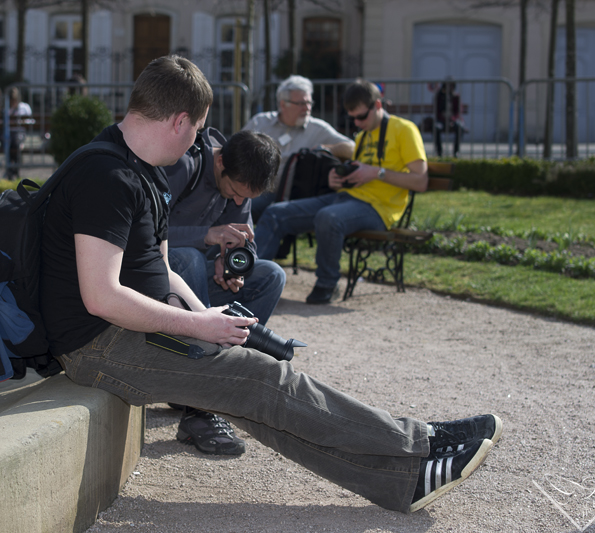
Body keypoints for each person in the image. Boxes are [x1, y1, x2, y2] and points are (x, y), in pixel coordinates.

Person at [38, 56, 500, 514]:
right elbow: (100, 297)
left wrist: (208, 317)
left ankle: (404, 481)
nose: (200, 139)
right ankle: (420, 442)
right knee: (262, 377)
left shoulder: (145, 170)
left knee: (256, 388)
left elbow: (161, 270)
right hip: (98, 345)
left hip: (127, 329)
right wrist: (197, 327)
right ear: (180, 121)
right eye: (199, 128)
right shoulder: (107, 176)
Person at [162, 128, 285, 455]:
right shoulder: (181, 165)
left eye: (247, 198)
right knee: (188, 259)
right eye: (233, 191)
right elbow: (142, 234)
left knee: (271, 275)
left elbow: (246, 241)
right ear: (219, 162)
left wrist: (229, 266)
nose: (239, 202)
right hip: (159, 288)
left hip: (201, 286)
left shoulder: (240, 182)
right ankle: (198, 407)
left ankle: (221, 379)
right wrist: (207, 236)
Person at [254, 80, 429, 305]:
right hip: (347, 198)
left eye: (361, 117)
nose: (356, 123)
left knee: (329, 217)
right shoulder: (365, 134)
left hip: (380, 209)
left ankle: (327, 284)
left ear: (377, 105)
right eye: (352, 118)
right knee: (275, 213)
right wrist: (339, 180)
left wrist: (377, 173)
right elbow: (360, 173)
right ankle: (251, 279)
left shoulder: (404, 130)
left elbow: (420, 181)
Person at [242, 75, 354, 222]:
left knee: (242, 210)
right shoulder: (261, 122)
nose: (307, 108)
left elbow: (352, 148)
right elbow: (235, 148)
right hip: (249, 188)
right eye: (301, 103)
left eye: (309, 102)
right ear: (283, 104)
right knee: (224, 207)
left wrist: (326, 148)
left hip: (284, 196)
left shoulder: (317, 129)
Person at [4, 86, 32, 178]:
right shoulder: (6, 108)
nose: (13, 102)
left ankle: (12, 169)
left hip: (19, 133)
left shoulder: (24, 107)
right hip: (8, 134)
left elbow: (30, 121)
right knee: (9, 143)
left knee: (15, 144)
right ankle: (13, 169)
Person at [434, 80, 465, 158]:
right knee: (436, 128)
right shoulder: (439, 97)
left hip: (453, 120)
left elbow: (458, 112)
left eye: (451, 86)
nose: (449, 88)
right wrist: (444, 119)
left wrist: (452, 119)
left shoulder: (456, 97)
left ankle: (456, 152)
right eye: (447, 86)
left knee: (460, 127)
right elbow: (437, 111)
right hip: (442, 120)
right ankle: (439, 152)